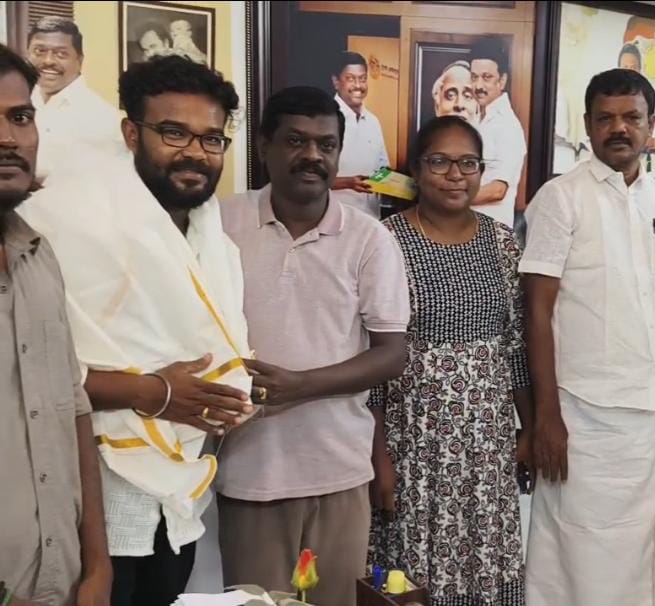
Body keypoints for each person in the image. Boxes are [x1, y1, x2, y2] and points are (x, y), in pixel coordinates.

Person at [20, 55, 254, 606]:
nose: (194, 152)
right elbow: (23, 371)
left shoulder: (216, 243)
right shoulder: (61, 220)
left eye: (211, 139)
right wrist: (154, 392)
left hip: (179, 495)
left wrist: (233, 393)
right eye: (174, 132)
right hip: (89, 495)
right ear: (131, 133)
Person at [216, 86, 408, 605]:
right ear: (264, 146)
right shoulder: (222, 223)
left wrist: (301, 386)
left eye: (326, 145)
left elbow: (392, 353)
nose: (312, 156)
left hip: (338, 470)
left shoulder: (369, 238)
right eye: (296, 141)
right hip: (249, 469)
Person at [522, 68, 655, 606]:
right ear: (588, 125)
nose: (619, 128)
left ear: (651, 124)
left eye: (631, 117)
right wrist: (546, 417)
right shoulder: (561, 198)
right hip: (582, 416)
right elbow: (537, 310)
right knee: (576, 552)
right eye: (606, 118)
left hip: (652, 414)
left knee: (645, 554)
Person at [369, 115, 532, 606]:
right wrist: (378, 459)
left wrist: (528, 428)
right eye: (440, 162)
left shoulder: (502, 242)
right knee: (412, 571)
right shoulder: (385, 241)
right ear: (417, 170)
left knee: (486, 563)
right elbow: (371, 359)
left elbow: (516, 345)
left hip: (487, 445)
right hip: (413, 443)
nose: (455, 175)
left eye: (468, 163)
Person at [0, 42, 111, 606]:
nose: (9, 137)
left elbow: (73, 410)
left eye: (20, 117)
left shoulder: (39, 257)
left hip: (64, 581)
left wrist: (98, 565)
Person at [25, 16, 126, 182]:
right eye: (39, 51)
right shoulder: (18, 102)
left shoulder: (104, 118)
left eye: (61, 53)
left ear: (79, 60)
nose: (48, 61)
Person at [469, 38, 527, 228]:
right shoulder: (474, 120)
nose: (478, 85)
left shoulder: (508, 126)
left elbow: (497, 190)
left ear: (502, 81)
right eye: (474, 77)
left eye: (486, 77)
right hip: (465, 229)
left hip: (492, 234)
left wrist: (444, 201)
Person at [329, 52, 389, 219]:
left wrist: (396, 184)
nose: (358, 85)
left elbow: (383, 168)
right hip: (334, 220)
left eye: (362, 79)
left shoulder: (373, 121)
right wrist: (348, 183)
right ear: (336, 82)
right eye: (350, 79)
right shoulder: (325, 119)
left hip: (371, 219)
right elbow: (310, 179)